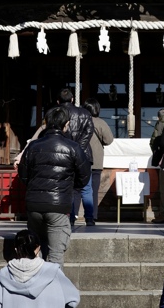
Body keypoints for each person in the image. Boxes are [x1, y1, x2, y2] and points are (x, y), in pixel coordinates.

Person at [18, 105, 90, 265]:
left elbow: (23, 175)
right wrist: (68, 187)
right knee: (55, 257)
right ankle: (53, 289)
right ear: (66, 124)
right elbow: (84, 177)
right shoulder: (73, 147)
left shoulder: (33, 146)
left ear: (47, 123)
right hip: (58, 206)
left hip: (34, 205)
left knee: (33, 254)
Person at [0, 229, 80, 308]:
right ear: (38, 248)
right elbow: (73, 299)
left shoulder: (5, 274)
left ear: (16, 249)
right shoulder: (53, 271)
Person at [57, 88, 94, 226]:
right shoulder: (84, 113)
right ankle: (89, 218)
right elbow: (89, 131)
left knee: (69, 187)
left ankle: (70, 217)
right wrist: (79, 147)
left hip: (63, 154)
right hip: (84, 154)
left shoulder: (56, 113)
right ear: (72, 99)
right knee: (86, 187)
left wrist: (70, 148)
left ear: (58, 101)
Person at [77, 98, 113, 226]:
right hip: (96, 161)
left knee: (77, 189)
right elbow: (109, 140)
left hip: (80, 159)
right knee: (93, 189)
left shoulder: (79, 121)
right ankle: (92, 216)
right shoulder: (101, 123)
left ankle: (74, 214)